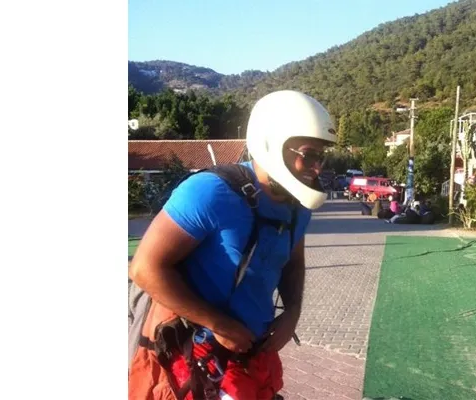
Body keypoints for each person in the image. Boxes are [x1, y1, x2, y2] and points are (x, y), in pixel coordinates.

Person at [128, 90, 337, 400]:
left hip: (250, 354)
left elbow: (293, 262)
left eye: (321, 156)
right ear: (270, 142)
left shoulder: (297, 206)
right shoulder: (210, 192)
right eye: (308, 154)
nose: (316, 167)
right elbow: (145, 269)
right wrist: (219, 324)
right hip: (191, 357)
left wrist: (292, 312)